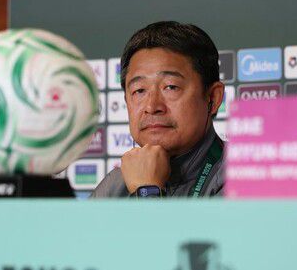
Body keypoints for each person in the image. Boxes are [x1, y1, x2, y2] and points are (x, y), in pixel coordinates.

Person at [91, 21, 225, 198]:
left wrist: (147, 190)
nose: (152, 107)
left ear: (213, 98)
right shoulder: (114, 186)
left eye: (170, 87)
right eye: (139, 90)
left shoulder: (248, 177)